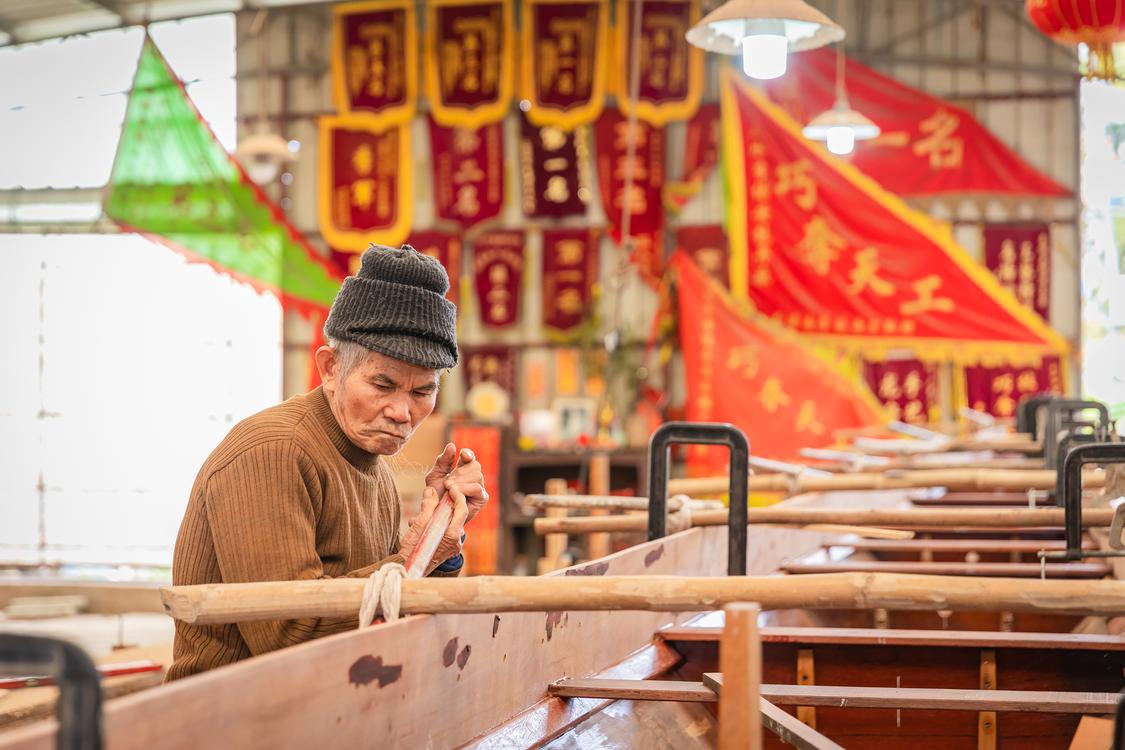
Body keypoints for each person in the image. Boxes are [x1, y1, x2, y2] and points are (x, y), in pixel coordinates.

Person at [167, 245, 486, 680]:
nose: (401, 411)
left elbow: (392, 612)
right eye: (382, 383)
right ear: (331, 367)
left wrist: (442, 536)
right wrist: (416, 556)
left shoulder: (375, 466)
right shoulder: (273, 451)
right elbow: (287, 636)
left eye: (421, 392)